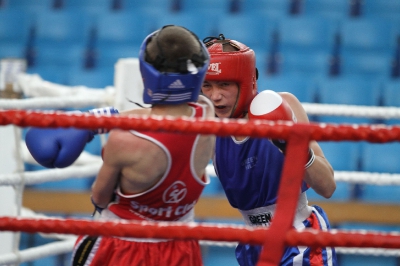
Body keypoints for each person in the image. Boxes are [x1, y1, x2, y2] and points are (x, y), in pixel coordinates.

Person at [27, 25, 214, 266]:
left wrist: (100, 123)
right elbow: (169, 118)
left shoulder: (125, 140)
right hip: (181, 245)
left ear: (147, 73)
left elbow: (100, 196)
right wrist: (104, 118)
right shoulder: (207, 114)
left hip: (122, 245)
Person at [200, 34, 338, 265]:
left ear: (248, 80)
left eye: (224, 84)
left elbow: (327, 187)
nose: (215, 96)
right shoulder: (209, 125)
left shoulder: (284, 105)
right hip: (252, 244)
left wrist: (292, 145)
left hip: (299, 236)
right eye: (207, 85)